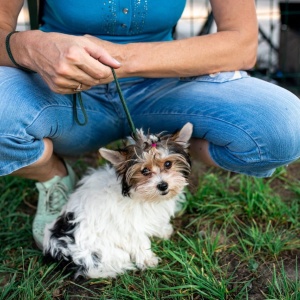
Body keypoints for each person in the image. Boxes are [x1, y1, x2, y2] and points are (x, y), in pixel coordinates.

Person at [1, 0, 300, 249]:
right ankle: (53, 176)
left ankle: (170, 157)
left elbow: (242, 44)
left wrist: (121, 58)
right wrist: (30, 45)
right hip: (64, 91)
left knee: (283, 126)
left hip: (163, 85)